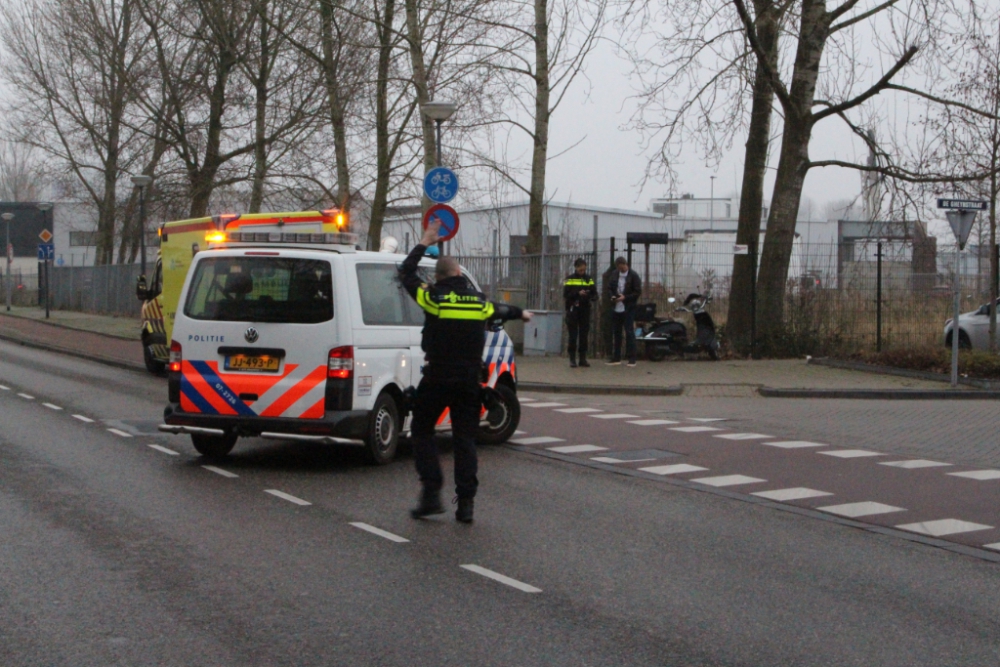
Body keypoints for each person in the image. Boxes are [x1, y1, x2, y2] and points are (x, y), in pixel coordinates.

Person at [398, 220, 532, 523]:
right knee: (465, 440)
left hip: (437, 378)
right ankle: (466, 504)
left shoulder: (433, 298)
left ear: (440, 276)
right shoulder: (478, 302)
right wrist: (521, 313)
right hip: (470, 381)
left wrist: (423, 242)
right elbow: (501, 310)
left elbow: (405, 273)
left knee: (421, 430)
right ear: (459, 274)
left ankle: (432, 492)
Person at [606, 256, 641, 367]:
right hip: (616, 308)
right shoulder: (615, 274)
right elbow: (610, 288)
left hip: (628, 308)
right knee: (617, 333)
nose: (620, 270)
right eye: (619, 268)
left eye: (621, 267)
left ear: (625, 264)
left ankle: (632, 358)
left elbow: (637, 292)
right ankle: (616, 357)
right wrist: (612, 297)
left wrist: (625, 297)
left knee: (629, 332)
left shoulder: (633, 275)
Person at [563, 258, 597, 368]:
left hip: (585, 309)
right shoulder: (569, 279)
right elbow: (566, 295)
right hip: (573, 310)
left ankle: (583, 358)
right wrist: (577, 293)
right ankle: (572, 359)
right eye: (580, 270)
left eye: (584, 270)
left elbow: (595, 294)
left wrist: (590, 296)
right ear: (576, 268)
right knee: (573, 335)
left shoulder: (589, 279)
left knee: (584, 335)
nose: (582, 272)